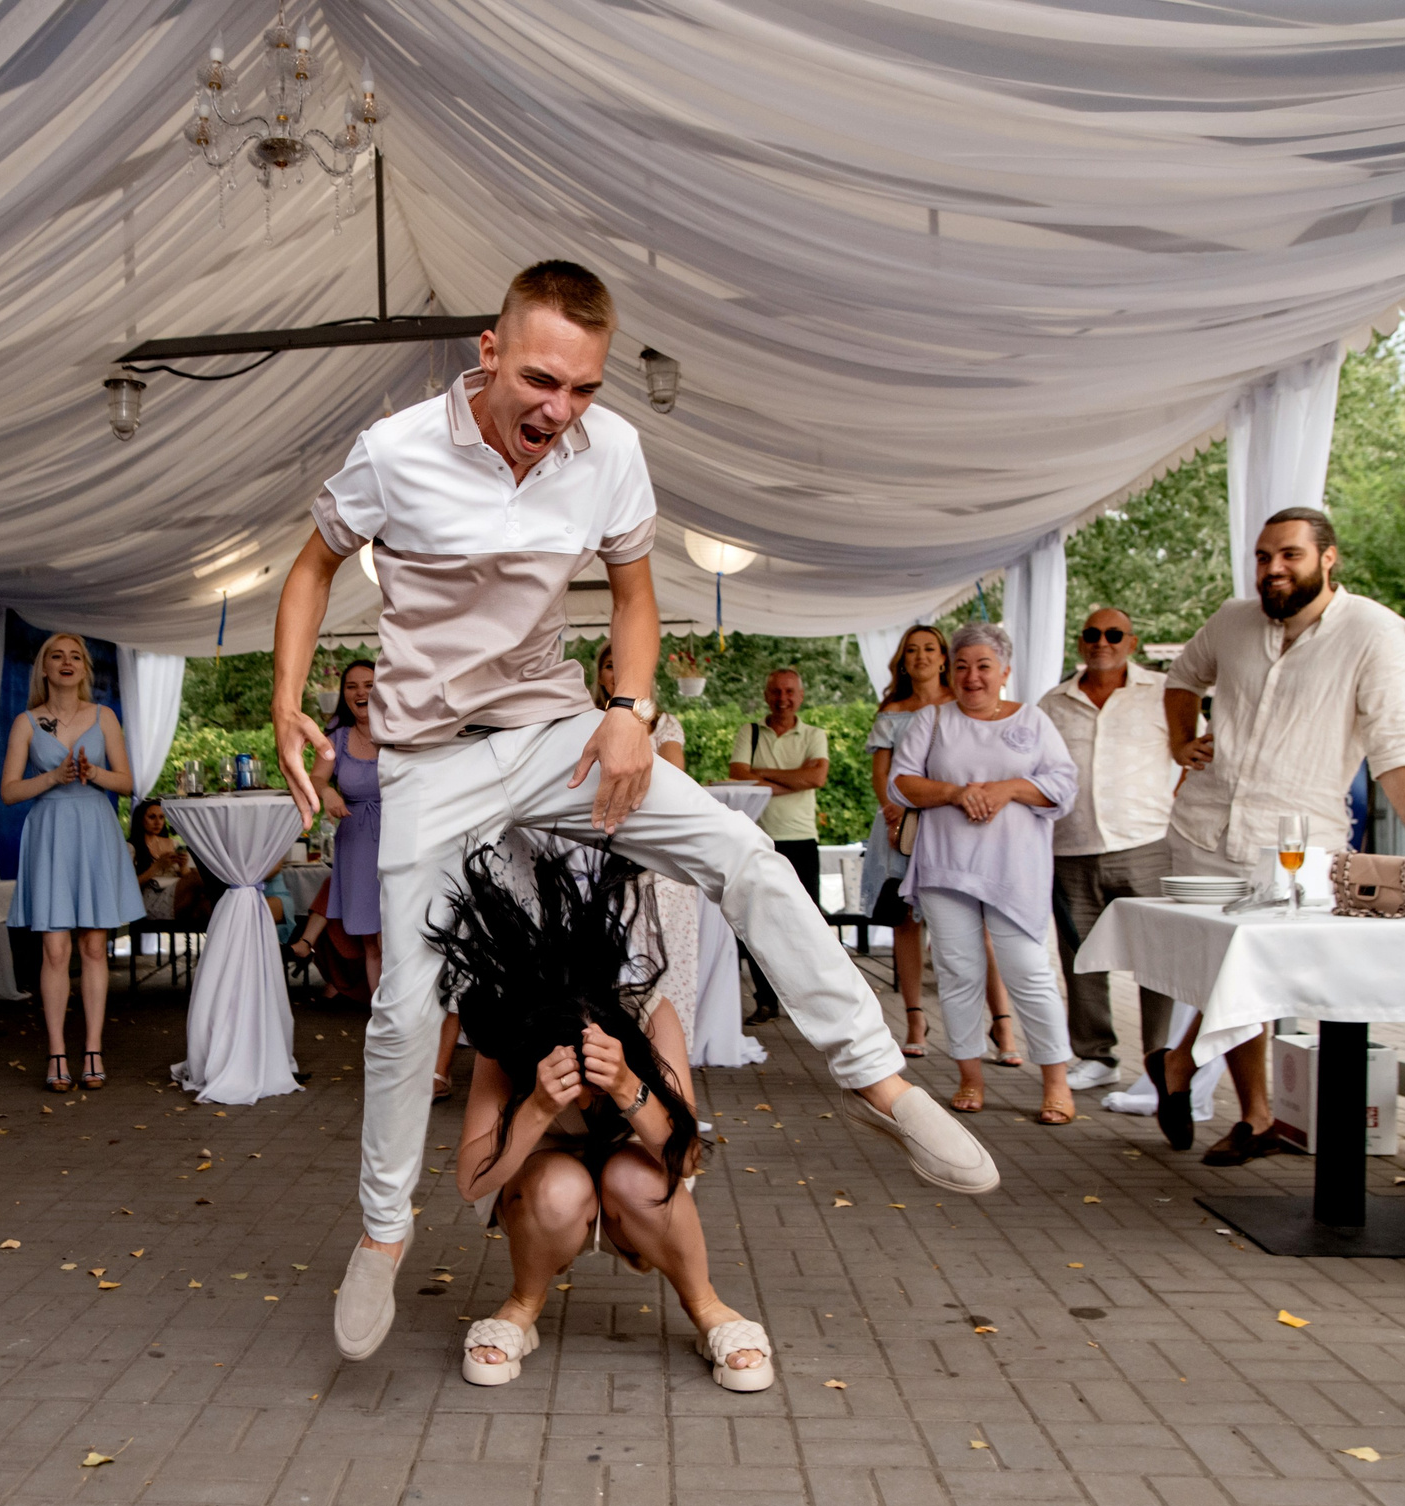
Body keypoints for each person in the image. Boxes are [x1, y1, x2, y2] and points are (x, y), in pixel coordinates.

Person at [270, 258, 995, 1364]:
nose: (558, 411)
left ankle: (880, 1081)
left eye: (584, 389)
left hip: (558, 731)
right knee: (407, 1008)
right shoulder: (395, 453)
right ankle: (381, 1228)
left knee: (746, 856)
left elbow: (636, 591)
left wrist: (627, 707)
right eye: (541, 382)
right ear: (489, 356)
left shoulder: (607, 453)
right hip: (427, 761)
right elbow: (313, 563)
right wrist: (284, 701)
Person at [1151, 507, 1405, 1162]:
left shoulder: (1376, 632)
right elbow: (1183, 677)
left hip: (1299, 839)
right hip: (1206, 825)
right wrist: (1182, 740)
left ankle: (1180, 1063)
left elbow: (1393, 743)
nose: (1273, 568)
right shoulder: (1231, 620)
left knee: (1268, 975)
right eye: (1264, 556)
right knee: (1226, 968)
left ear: (1329, 559)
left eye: (1290, 555)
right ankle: (1256, 1116)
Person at [432, 842, 771, 1392]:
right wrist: (539, 1106)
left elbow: (686, 1158)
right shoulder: (509, 1032)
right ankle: (523, 1303)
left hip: (634, 1170)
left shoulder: (648, 1011)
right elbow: (471, 1179)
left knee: (635, 1177)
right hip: (540, 1181)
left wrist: (627, 1086)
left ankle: (706, 1305)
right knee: (557, 1187)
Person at [889, 623, 1081, 1123]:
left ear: (1005, 672)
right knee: (959, 973)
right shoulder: (932, 719)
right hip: (946, 867)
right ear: (951, 671)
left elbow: (1063, 785)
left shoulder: (1034, 721)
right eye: (962, 666)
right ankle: (970, 1077)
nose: (972, 677)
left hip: (1014, 869)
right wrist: (955, 792)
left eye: (983, 666)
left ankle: (1057, 1083)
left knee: (1029, 971)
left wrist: (1011, 787)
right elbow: (901, 783)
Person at [862, 626, 1021, 1063]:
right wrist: (894, 814)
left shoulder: (964, 703)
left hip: (957, 823)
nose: (921, 656)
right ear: (902, 660)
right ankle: (915, 1019)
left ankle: (1002, 1022)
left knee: (978, 924)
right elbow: (883, 775)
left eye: (929, 648)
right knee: (905, 926)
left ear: (945, 657)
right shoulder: (892, 712)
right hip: (904, 825)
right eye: (911, 650)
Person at [1039, 609, 1176, 1094]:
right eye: (1093, 634)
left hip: (1146, 843)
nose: (1103, 642)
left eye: (1113, 635)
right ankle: (1096, 1057)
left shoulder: (1164, 693)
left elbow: (1190, 759)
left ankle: (1161, 1062)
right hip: (1071, 848)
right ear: (1080, 643)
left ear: (1131, 643)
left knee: (1157, 960)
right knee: (1082, 957)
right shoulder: (1052, 703)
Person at [1, 632, 143, 1094]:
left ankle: (94, 1050)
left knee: (94, 947)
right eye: (56, 656)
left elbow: (127, 783)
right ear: (44, 668)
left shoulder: (104, 717)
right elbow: (7, 791)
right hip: (51, 832)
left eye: (75, 657)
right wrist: (52, 777)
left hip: (94, 828)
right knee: (55, 950)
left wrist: (94, 773)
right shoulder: (26, 722)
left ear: (85, 668)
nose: (66, 663)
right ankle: (57, 1051)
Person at [597, 642, 697, 1053]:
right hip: (603, 856)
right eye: (608, 665)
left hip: (660, 856)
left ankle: (671, 1062)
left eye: (624, 661)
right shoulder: (584, 722)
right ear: (599, 675)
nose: (616, 670)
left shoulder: (664, 723)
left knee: (670, 959)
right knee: (612, 965)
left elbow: (673, 774)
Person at [728, 666, 827, 1024]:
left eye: (789, 692)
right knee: (757, 923)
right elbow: (738, 774)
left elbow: (817, 777)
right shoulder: (750, 732)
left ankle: (812, 1004)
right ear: (766, 694)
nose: (782, 698)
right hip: (760, 839)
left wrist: (764, 775)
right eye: (776, 691)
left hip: (802, 840)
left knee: (807, 925)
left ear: (800, 696)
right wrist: (793, 779)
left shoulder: (815, 734)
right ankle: (765, 1000)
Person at [308, 658, 386, 993]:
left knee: (397, 936)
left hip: (399, 837)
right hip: (356, 842)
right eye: (351, 686)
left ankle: (414, 1020)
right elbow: (314, 778)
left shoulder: (402, 731)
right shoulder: (336, 739)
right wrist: (327, 791)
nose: (360, 692)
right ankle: (382, 1020)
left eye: (369, 684)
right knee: (372, 939)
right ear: (344, 694)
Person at [129, 798, 211, 927]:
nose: (158, 822)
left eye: (162, 817)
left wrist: (183, 865)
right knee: (202, 878)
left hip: (181, 894)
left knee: (207, 905)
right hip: (152, 897)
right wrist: (156, 867)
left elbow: (187, 876)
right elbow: (128, 886)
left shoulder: (173, 843)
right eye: (152, 817)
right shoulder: (132, 847)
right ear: (140, 819)